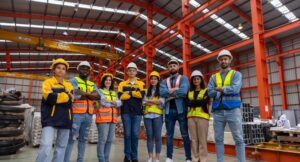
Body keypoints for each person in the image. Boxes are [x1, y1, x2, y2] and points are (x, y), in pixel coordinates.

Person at [207, 49, 245, 162]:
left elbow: (236, 88)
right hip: (218, 112)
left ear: (229, 61)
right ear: (219, 62)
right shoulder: (213, 77)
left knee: (238, 139)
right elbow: (209, 92)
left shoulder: (236, 74)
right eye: (221, 59)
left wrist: (220, 89)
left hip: (233, 110)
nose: (223, 61)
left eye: (225, 59)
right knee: (218, 139)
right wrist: (223, 91)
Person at [36, 58, 73, 162]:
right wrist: (66, 96)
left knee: (61, 147)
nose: (61, 70)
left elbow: (71, 99)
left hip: (66, 118)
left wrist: (59, 96)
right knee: (46, 145)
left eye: (63, 69)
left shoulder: (69, 85)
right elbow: (51, 98)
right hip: (50, 118)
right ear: (54, 69)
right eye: (58, 68)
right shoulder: (47, 83)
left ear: (66, 71)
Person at [64, 61, 99, 162]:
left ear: (89, 71)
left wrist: (83, 93)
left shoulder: (92, 84)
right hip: (76, 115)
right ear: (78, 69)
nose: (85, 70)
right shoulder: (72, 81)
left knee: (83, 140)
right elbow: (74, 94)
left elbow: (97, 96)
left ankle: (80, 160)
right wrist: (90, 94)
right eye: (82, 68)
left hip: (88, 115)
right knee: (71, 139)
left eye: (87, 68)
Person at [160, 59, 191, 162]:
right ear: (168, 68)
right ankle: (169, 157)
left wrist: (170, 95)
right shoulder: (164, 81)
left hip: (181, 110)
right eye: (170, 66)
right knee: (169, 135)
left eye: (174, 65)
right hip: (169, 111)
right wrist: (174, 91)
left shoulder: (184, 79)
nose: (172, 67)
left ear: (178, 67)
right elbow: (162, 92)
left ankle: (188, 158)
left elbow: (183, 91)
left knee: (185, 134)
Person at [118, 62, 145, 162]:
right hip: (126, 112)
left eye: (133, 70)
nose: (131, 72)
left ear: (136, 72)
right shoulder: (122, 84)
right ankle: (127, 156)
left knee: (134, 134)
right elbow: (121, 96)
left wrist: (129, 92)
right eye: (130, 70)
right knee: (127, 135)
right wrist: (135, 93)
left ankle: (134, 157)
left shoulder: (141, 83)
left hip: (137, 113)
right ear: (127, 72)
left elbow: (141, 95)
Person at [96, 73, 122, 162]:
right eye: (106, 80)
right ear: (103, 81)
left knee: (110, 140)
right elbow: (103, 102)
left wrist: (110, 101)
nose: (108, 81)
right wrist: (114, 102)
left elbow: (120, 103)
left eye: (110, 80)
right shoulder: (100, 91)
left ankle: (106, 159)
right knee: (102, 140)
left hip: (112, 119)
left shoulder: (114, 93)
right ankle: (101, 159)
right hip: (102, 118)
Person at [186, 70, 210, 162]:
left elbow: (204, 102)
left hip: (203, 117)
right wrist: (198, 102)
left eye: (197, 79)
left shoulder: (206, 90)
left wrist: (192, 103)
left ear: (201, 80)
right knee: (194, 140)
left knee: (202, 140)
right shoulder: (189, 91)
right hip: (191, 118)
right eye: (194, 79)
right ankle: (195, 159)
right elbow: (187, 103)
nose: (196, 81)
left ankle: (203, 159)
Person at [143, 71, 164, 162]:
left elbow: (161, 102)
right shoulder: (146, 91)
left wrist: (148, 101)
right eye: (151, 79)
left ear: (158, 80)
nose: (153, 80)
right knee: (150, 136)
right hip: (147, 116)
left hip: (157, 116)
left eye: (155, 79)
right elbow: (143, 102)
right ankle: (150, 157)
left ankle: (157, 157)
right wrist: (153, 101)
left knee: (158, 137)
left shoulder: (162, 91)